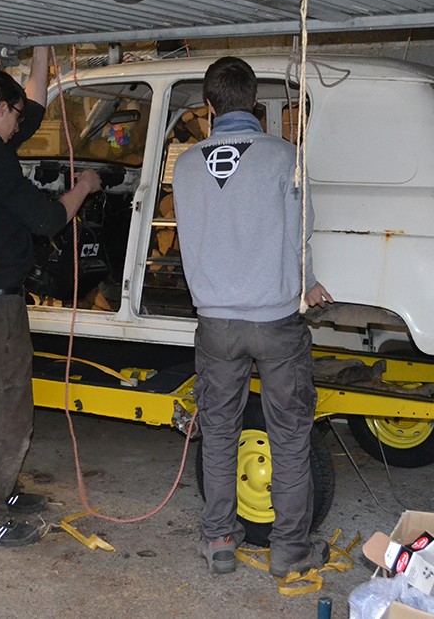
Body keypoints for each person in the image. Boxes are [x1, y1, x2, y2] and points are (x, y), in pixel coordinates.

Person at [171, 56, 332, 577]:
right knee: (288, 436)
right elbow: (301, 232)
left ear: (209, 105)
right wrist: (307, 284)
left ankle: (219, 540)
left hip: (216, 322)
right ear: (254, 102)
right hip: (276, 319)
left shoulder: (188, 164)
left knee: (218, 432)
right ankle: (289, 550)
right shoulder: (286, 156)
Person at [0, 47, 102, 547]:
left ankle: (0, 490)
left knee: (13, 402)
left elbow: (32, 105)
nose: (20, 127)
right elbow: (50, 219)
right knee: (4, 409)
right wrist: (85, 187)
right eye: (15, 118)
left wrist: (42, 53)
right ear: (0, 109)